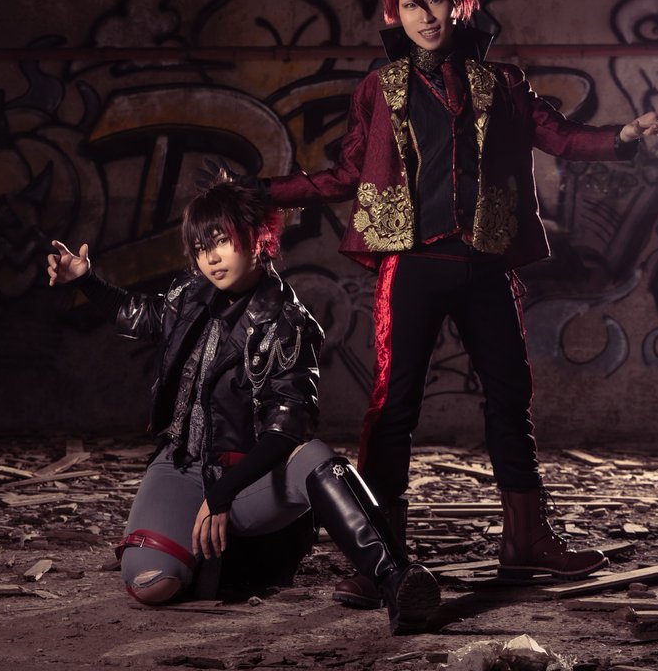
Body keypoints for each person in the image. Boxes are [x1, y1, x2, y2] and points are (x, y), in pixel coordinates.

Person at [256, 0, 658, 607]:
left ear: (460, 3)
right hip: (413, 263)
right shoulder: (380, 89)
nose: (425, 16)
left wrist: (626, 136)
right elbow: (345, 175)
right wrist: (262, 192)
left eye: (435, 0)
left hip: (485, 261)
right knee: (392, 407)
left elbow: (562, 138)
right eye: (411, 4)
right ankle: (378, 556)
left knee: (510, 395)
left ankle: (526, 540)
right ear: (395, 14)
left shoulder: (502, 83)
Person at [46, 182, 440, 635]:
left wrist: (223, 493)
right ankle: (222, 562)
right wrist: (86, 281)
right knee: (152, 582)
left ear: (258, 238)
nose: (211, 258)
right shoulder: (190, 295)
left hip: (252, 478)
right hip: (181, 466)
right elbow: (143, 315)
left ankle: (396, 578)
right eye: (200, 248)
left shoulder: (288, 322)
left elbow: (288, 428)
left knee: (317, 457)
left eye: (221, 242)